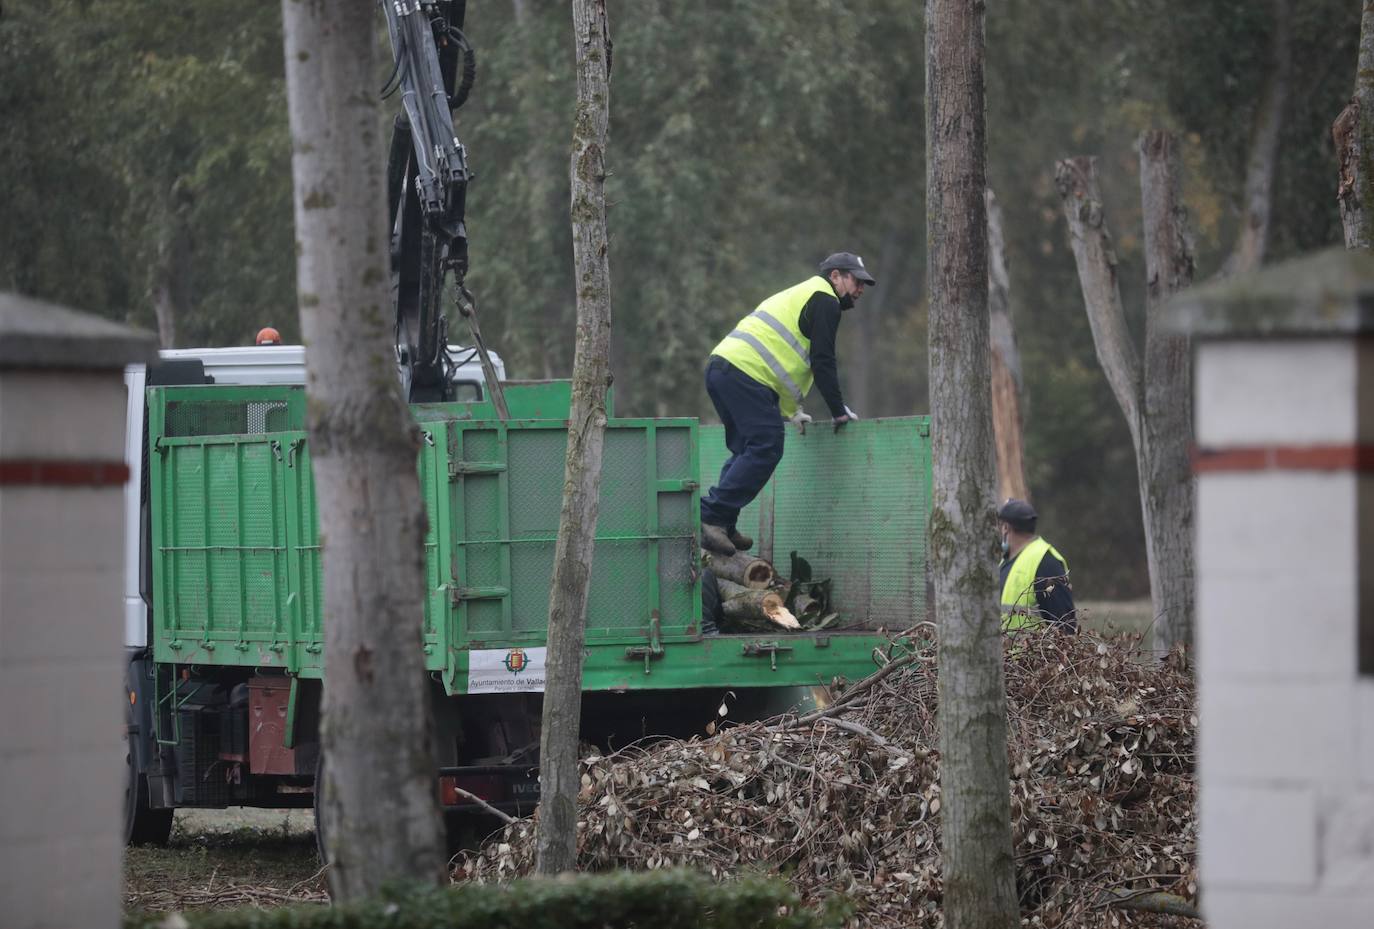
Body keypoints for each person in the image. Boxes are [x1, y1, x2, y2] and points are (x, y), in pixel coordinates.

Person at [699, 252, 875, 555]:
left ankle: (722, 522)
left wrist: (793, 411)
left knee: (746, 448)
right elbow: (822, 361)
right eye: (856, 280)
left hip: (724, 368)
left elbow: (784, 363)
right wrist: (838, 410)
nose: (860, 289)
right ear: (835, 276)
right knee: (767, 444)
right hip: (743, 372)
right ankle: (711, 516)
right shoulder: (825, 299)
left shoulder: (806, 295)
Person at [997, 498, 1077, 631]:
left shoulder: (1046, 562)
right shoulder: (1006, 560)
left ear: (1005, 528)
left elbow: (1064, 626)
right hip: (1006, 651)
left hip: (1030, 652)